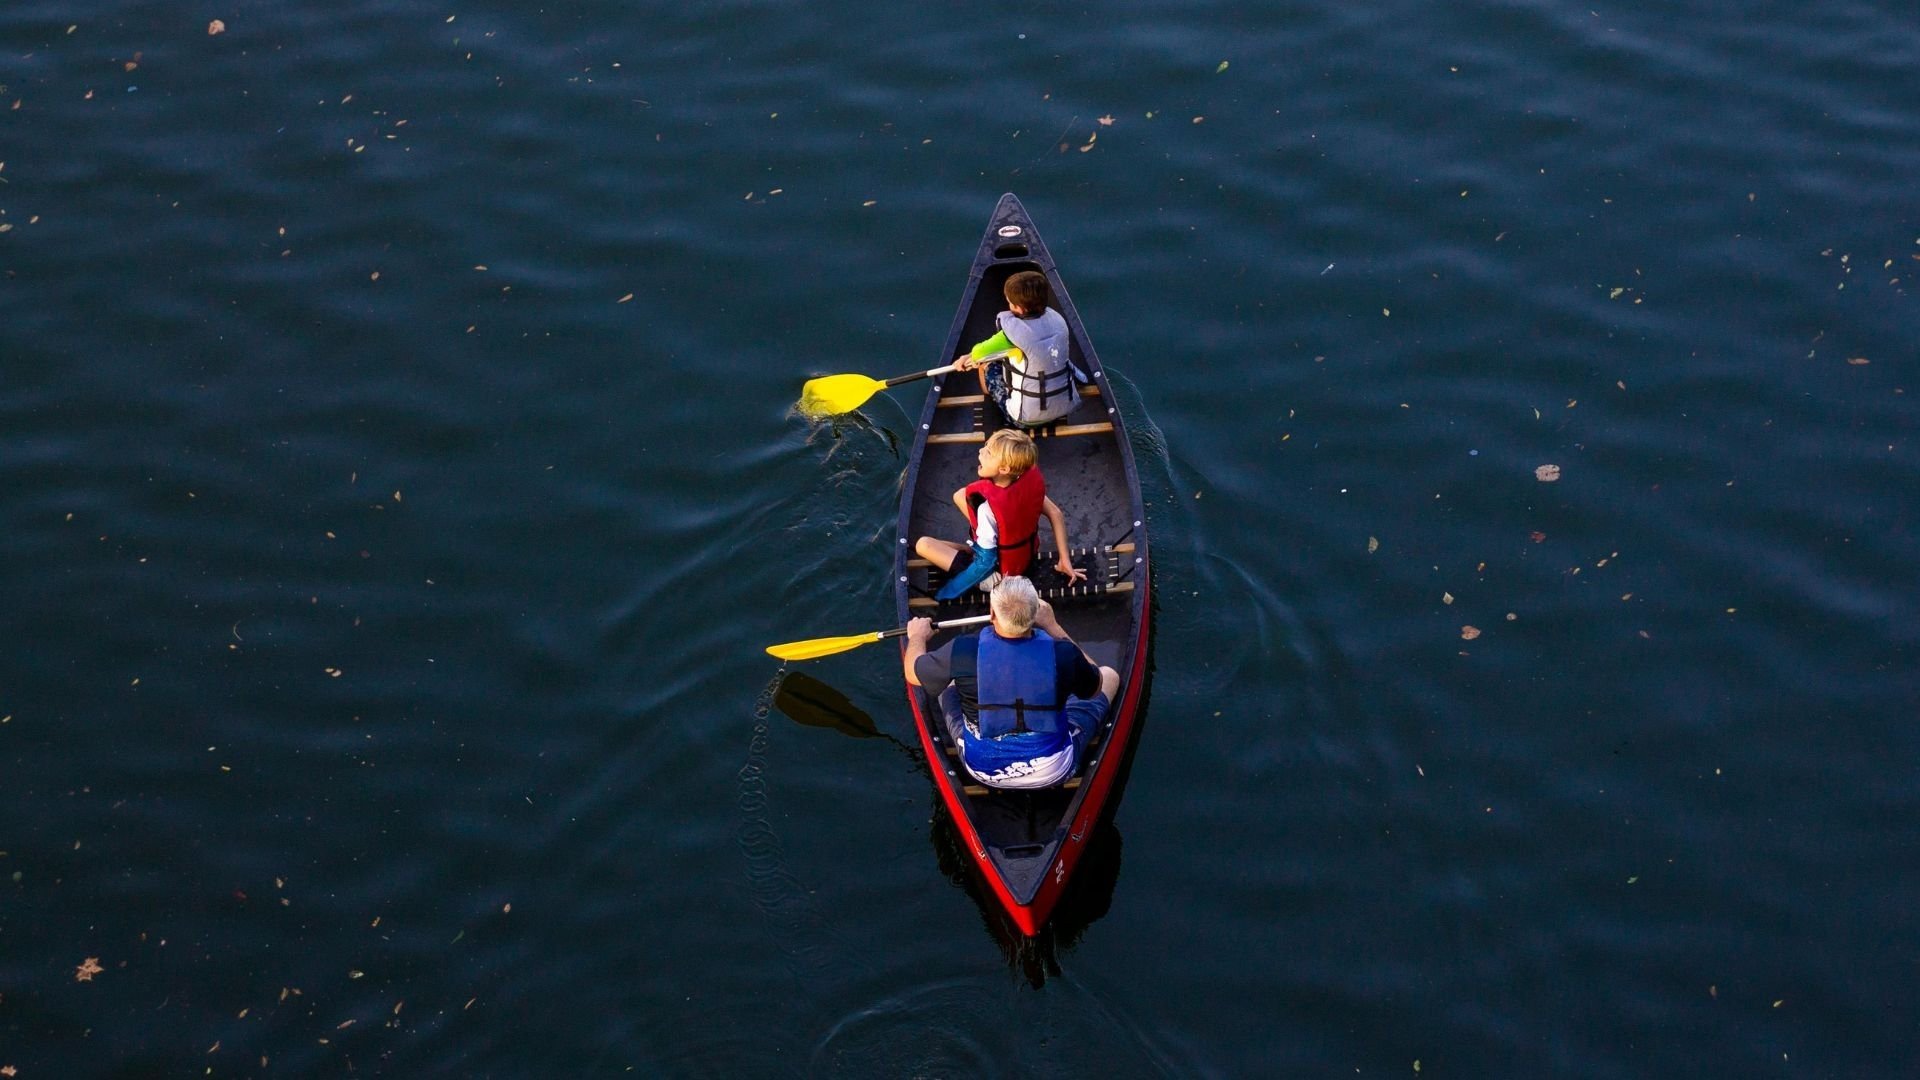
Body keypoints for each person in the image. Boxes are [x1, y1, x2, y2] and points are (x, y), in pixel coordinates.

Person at [903, 576, 1121, 790]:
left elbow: (912, 674)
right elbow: (1096, 686)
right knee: (1109, 675)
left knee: (947, 681)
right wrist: (1053, 626)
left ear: (991, 614)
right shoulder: (1063, 654)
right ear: (1035, 614)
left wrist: (917, 637)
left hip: (984, 772)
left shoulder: (962, 652)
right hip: (1053, 771)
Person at [914, 428, 1085, 600]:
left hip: (999, 576)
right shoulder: (1024, 476)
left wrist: (949, 591)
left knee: (923, 544)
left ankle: (970, 550)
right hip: (1026, 555)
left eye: (987, 452)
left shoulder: (987, 508)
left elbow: (985, 562)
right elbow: (1055, 513)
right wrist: (1064, 559)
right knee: (960, 495)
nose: (980, 451)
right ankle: (972, 547)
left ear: (1003, 468)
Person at [955, 270, 1080, 427]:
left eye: (1009, 303)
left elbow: (978, 354)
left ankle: (993, 403)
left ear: (1019, 308)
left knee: (987, 366)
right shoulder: (1058, 319)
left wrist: (963, 360)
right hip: (1064, 406)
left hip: (1025, 419)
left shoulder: (1008, 336)